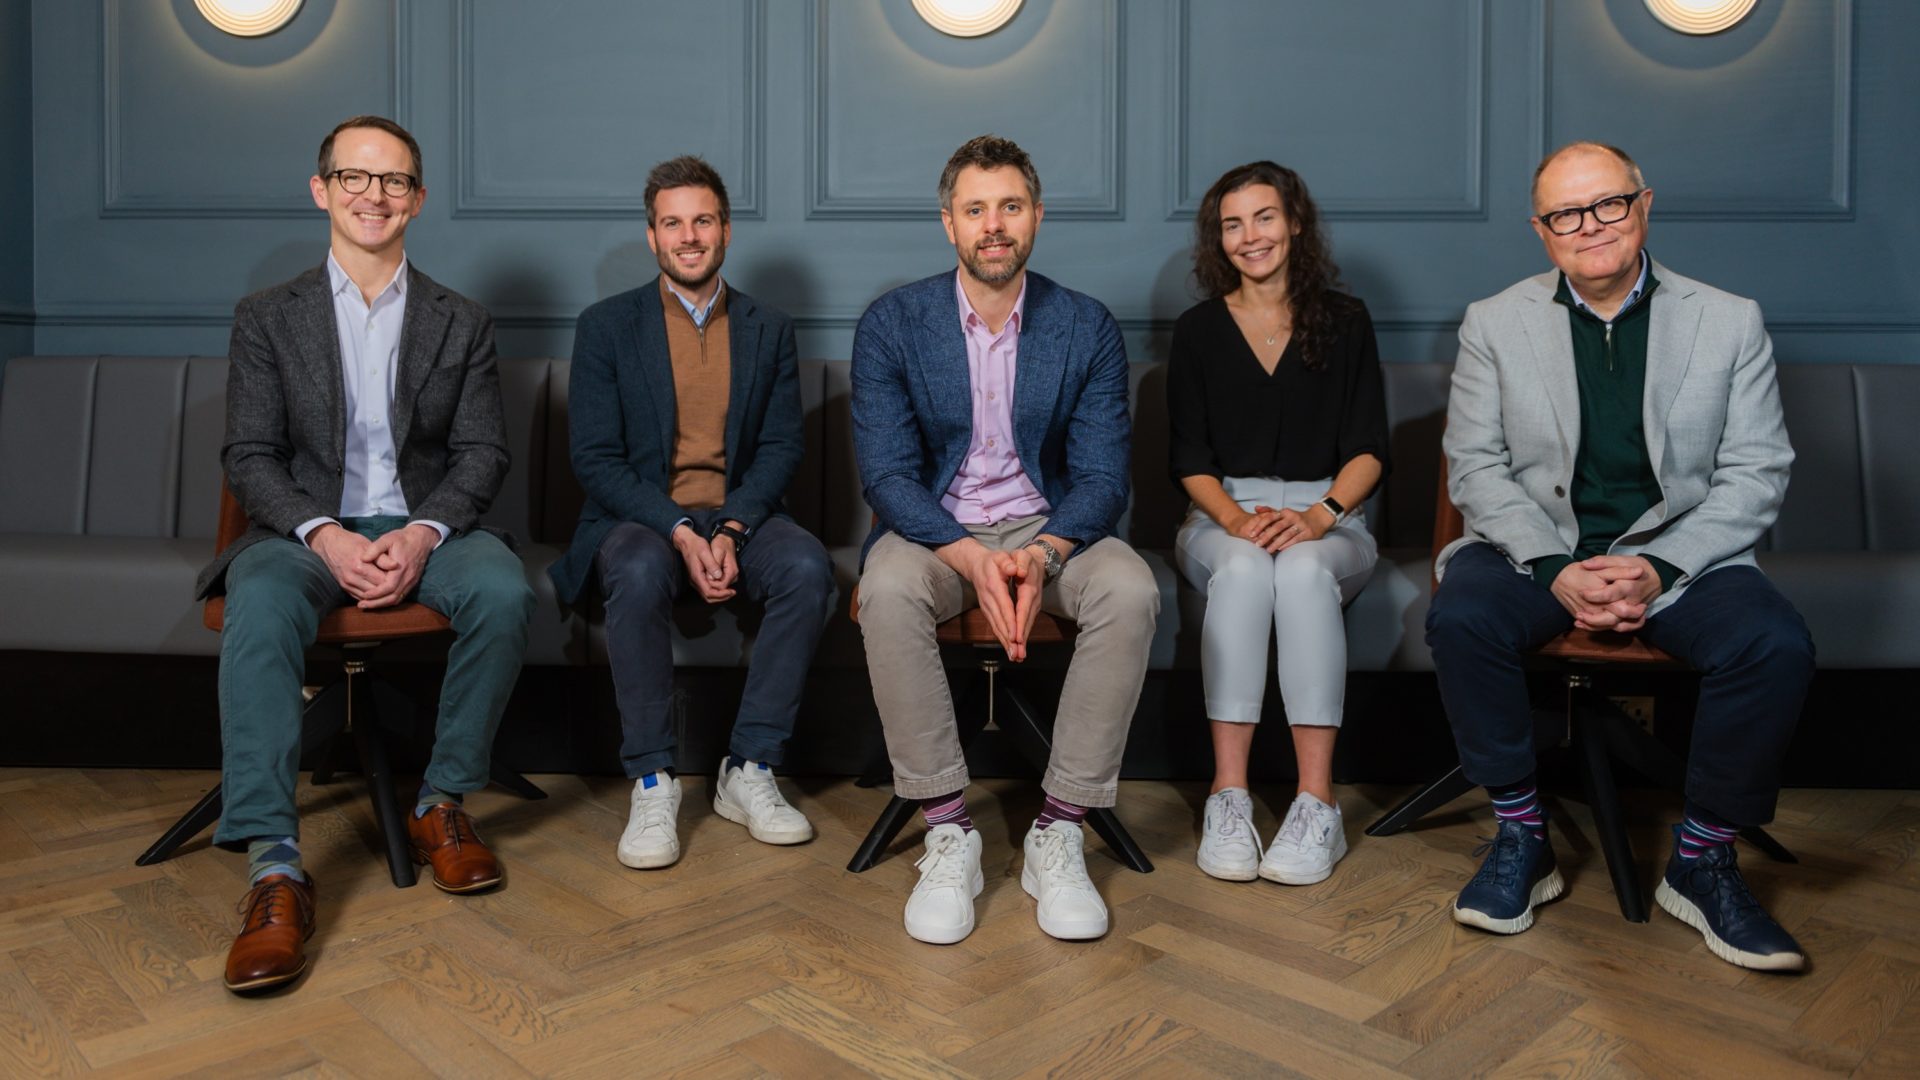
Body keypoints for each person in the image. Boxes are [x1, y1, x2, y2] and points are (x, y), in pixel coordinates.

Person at [1427, 141, 1814, 971]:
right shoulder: (1494, 321)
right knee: (1461, 616)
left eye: (1607, 204)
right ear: (1542, 231)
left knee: (1774, 641)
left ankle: (1703, 858)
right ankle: (1522, 836)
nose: (1589, 226)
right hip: (1533, 549)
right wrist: (1551, 567)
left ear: (1643, 206)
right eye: (1567, 214)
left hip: (1681, 559)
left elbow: (1757, 470)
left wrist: (1663, 567)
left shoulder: (1728, 318)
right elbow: (1477, 469)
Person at [194, 116, 534, 993]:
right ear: (322, 190)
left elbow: (482, 456)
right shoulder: (267, 317)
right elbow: (250, 457)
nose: (372, 195)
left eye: (393, 181)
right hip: (307, 533)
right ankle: (274, 869)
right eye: (355, 177)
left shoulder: (462, 320)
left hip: (425, 526)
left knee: (501, 592)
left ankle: (441, 805)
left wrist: (422, 534)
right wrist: (327, 534)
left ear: (417, 199)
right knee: (262, 603)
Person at [851, 135, 1159, 945]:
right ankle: (948, 827)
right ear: (948, 223)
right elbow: (885, 475)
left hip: (1049, 525)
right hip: (934, 528)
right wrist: (969, 556)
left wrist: (1042, 553)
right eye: (976, 209)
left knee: (1131, 589)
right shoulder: (894, 322)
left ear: (1037, 217)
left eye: (1011, 207)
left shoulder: (1084, 324)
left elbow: (1101, 478)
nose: (995, 225)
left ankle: (1060, 828)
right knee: (883, 591)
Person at [550, 156, 834, 870]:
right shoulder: (608, 327)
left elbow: (779, 446)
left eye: (702, 220)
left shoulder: (768, 328)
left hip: (742, 515)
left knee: (805, 564)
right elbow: (596, 459)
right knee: (640, 569)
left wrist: (733, 528)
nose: (688, 236)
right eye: (672, 223)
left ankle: (751, 768)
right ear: (652, 237)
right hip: (641, 520)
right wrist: (678, 529)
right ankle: (652, 779)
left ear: (726, 231)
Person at [1168, 162, 1387, 887]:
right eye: (1232, 224)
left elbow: (1369, 449)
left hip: (1332, 510)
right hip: (1220, 512)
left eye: (1264, 217)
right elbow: (1188, 458)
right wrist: (1236, 520)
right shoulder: (1198, 330)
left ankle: (1314, 803)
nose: (1249, 236)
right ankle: (1227, 799)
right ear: (1217, 239)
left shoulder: (1347, 320)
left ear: (1295, 223)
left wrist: (1321, 516)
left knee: (1297, 572)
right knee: (1240, 569)